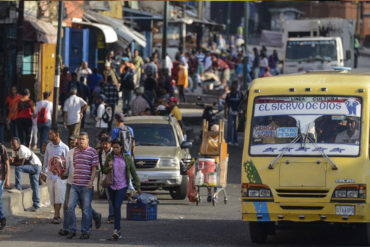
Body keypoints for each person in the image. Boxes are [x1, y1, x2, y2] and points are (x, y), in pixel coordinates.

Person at [59, 134, 102, 237]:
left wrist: (91, 181)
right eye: (79, 139)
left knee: (86, 209)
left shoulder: (93, 152)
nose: (80, 141)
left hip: (86, 186)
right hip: (74, 184)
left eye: (83, 139)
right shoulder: (75, 152)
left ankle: (85, 231)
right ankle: (72, 230)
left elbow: (94, 169)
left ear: (87, 140)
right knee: (70, 207)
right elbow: (75, 166)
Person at [102, 139, 141, 240]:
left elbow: (133, 172)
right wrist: (109, 167)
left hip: (122, 186)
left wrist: (138, 186)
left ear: (121, 148)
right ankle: (118, 230)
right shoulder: (110, 157)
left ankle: (116, 230)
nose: (115, 149)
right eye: (114, 147)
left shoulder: (127, 158)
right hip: (112, 185)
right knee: (114, 206)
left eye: (117, 147)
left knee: (117, 206)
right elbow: (104, 170)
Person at [43, 127, 69, 224]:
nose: (49, 135)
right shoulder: (49, 146)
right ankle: (56, 213)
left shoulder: (65, 147)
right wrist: (43, 172)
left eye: (51, 134)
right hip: (50, 176)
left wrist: (66, 174)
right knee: (53, 197)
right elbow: (46, 159)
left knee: (59, 196)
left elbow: (67, 163)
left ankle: (56, 215)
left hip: (60, 177)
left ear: (57, 135)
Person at [9, 137, 42, 211]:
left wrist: (10, 163)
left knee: (18, 168)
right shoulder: (14, 150)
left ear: (18, 144)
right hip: (35, 165)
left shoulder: (22, 149)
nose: (12, 147)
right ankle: (36, 206)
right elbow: (15, 160)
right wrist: (11, 161)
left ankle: (18, 187)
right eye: (11, 145)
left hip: (35, 166)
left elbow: (20, 163)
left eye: (14, 145)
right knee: (34, 186)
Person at [97, 136, 114, 223]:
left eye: (106, 144)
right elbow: (101, 167)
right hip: (106, 179)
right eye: (103, 144)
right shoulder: (100, 153)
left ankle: (113, 216)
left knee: (114, 198)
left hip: (115, 179)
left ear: (110, 144)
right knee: (110, 198)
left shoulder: (115, 152)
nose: (105, 145)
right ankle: (112, 217)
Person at [225, 81, 243, 146]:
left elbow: (242, 103)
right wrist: (225, 113)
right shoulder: (229, 94)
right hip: (231, 112)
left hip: (237, 112)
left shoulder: (240, 94)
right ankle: (228, 140)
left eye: (237, 85)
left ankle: (235, 141)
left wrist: (241, 112)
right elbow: (226, 104)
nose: (236, 87)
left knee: (236, 127)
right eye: (235, 85)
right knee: (229, 127)